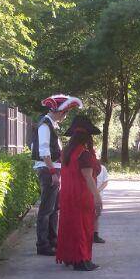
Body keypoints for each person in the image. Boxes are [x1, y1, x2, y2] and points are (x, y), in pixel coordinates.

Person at [31, 95, 82, 256]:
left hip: (52, 170)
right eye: (65, 112)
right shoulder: (45, 125)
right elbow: (44, 151)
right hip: (48, 170)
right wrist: (53, 172)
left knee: (53, 208)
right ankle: (43, 244)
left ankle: (52, 240)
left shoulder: (49, 125)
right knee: (47, 209)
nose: (65, 116)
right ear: (59, 111)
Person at [55, 115, 101, 271]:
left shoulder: (66, 152)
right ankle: (81, 259)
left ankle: (70, 257)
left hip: (67, 195)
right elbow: (88, 177)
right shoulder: (84, 153)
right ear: (87, 136)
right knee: (83, 227)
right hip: (81, 196)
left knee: (69, 226)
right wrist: (97, 197)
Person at [93, 162, 109, 244]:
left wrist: (97, 191)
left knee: (96, 215)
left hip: (98, 195)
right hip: (87, 195)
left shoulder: (102, 168)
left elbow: (105, 182)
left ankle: (95, 235)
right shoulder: (87, 167)